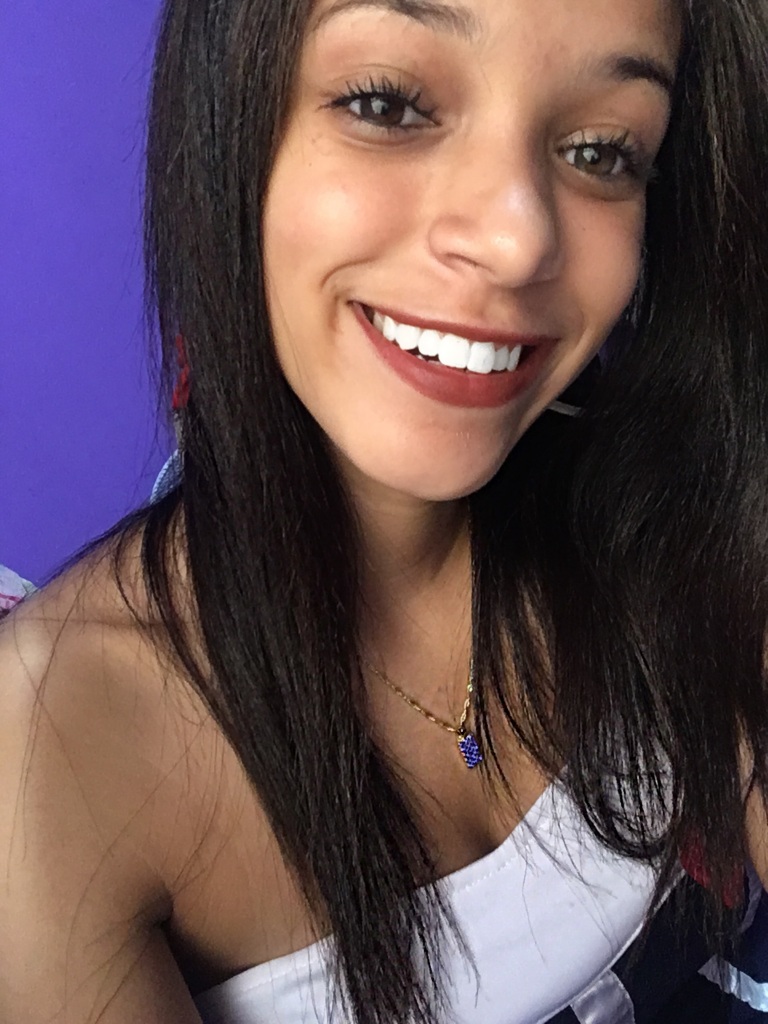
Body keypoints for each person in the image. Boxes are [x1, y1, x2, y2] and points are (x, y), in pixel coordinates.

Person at [2, 0, 768, 1021]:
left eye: (601, 151)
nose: (517, 239)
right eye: (387, 104)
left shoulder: (671, 510)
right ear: (231, 125)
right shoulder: (48, 754)